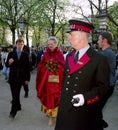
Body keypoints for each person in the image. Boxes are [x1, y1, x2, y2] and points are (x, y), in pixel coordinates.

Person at [54, 19, 110, 130]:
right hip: (64, 112)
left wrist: (85, 98)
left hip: (84, 115)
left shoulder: (99, 59)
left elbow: (103, 88)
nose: (69, 38)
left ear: (83, 36)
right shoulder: (69, 56)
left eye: (72, 35)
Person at [36, 36, 65, 126]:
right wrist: (47, 67)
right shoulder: (45, 54)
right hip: (47, 82)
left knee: (55, 98)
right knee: (48, 97)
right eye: (48, 44)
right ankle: (50, 115)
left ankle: (53, 116)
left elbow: (63, 67)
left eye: (51, 44)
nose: (50, 46)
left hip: (56, 82)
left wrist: (55, 67)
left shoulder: (60, 54)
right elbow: (40, 66)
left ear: (56, 44)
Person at [6, 39, 30, 118]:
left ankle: (13, 112)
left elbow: (27, 68)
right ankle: (18, 106)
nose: (20, 46)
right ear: (16, 45)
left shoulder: (25, 55)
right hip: (12, 77)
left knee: (16, 94)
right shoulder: (11, 54)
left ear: (23, 45)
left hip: (21, 78)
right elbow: (6, 65)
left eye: (21, 44)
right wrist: (9, 63)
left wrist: (27, 79)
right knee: (14, 94)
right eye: (18, 44)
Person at [97, 31, 116, 128]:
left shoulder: (105, 54)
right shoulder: (107, 52)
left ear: (104, 40)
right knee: (97, 108)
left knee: (95, 108)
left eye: (99, 39)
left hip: (106, 87)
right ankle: (101, 122)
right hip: (108, 86)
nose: (98, 41)